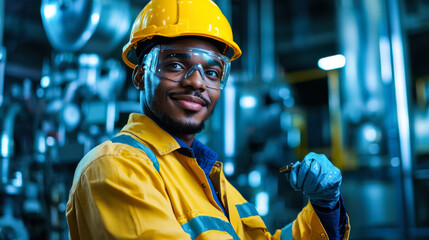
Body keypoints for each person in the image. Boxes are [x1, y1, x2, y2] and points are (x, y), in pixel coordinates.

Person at [66, 0, 351, 239]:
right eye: (176, 65)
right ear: (141, 76)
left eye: (212, 72)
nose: (197, 83)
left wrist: (325, 207)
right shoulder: (116, 168)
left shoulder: (210, 177)